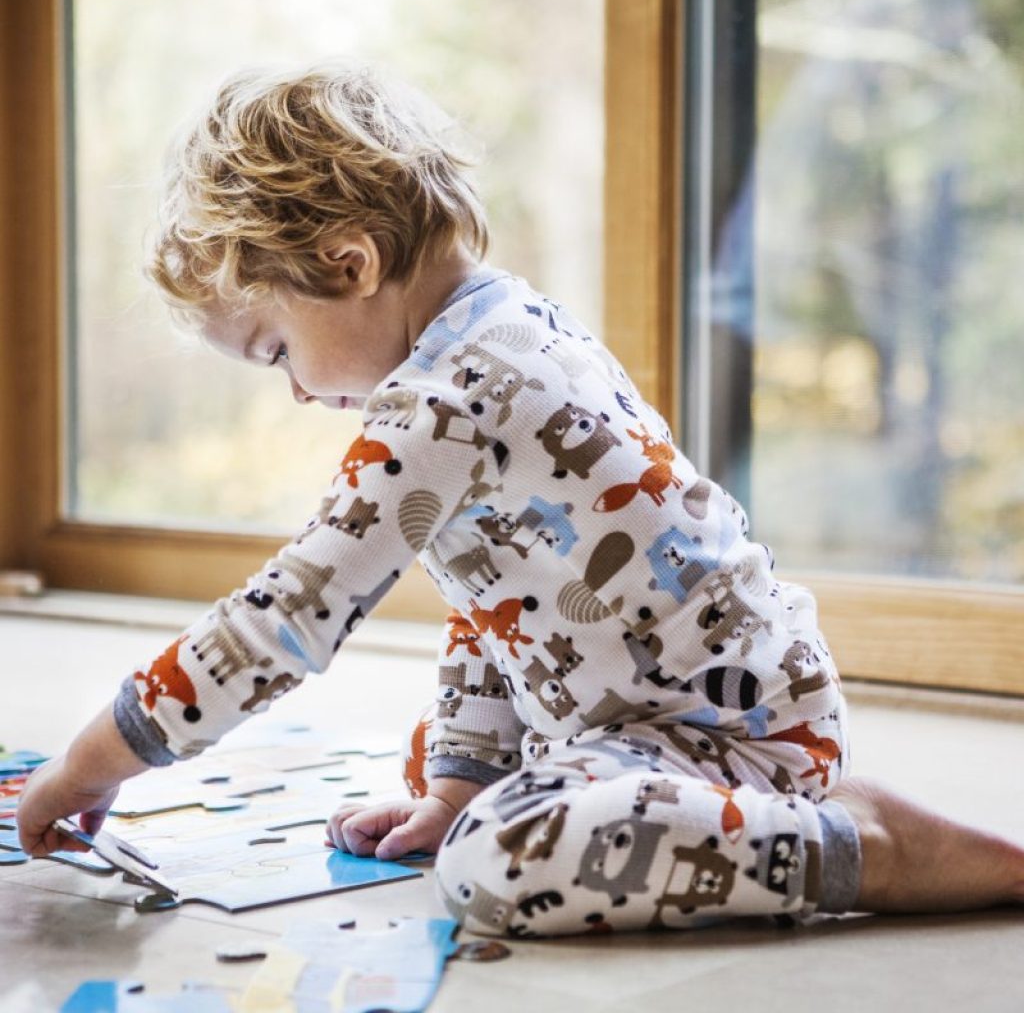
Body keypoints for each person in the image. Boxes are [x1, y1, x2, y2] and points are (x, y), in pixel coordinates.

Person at [17, 62, 1024, 937]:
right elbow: (493, 600)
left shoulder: (442, 399)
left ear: (348, 262)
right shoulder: (509, 325)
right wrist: (456, 780)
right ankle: (792, 804)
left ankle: (865, 847)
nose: (292, 389)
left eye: (276, 347)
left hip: (720, 728)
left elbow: (283, 621)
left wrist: (96, 761)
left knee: (497, 863)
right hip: (683, 715)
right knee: (433, 771)